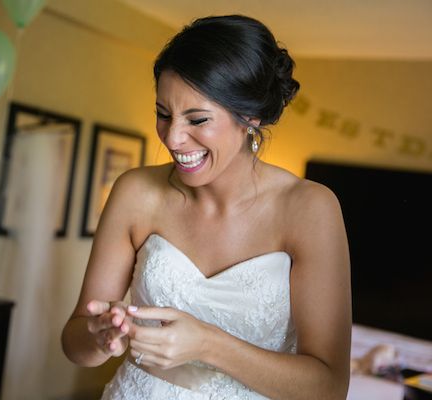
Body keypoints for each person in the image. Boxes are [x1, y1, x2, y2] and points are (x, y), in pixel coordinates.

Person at [61, 14, 351, 400]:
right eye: (163, 114)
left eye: (197, 119)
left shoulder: (310, 209)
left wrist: (207, 345)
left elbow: (329, 388)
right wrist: (99, 336)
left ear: (250, 116)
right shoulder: (135, 192)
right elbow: (74, 343)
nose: (174, 137)